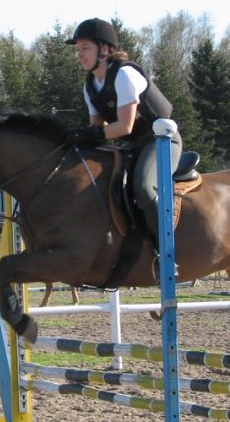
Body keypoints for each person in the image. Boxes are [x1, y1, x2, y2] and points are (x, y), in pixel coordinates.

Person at [64, 17, 180, 252]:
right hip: (133, 146)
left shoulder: (124, 75)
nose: (79, 55)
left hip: (161, 142)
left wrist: (87, 134)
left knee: (143, 186)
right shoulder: (90, 85)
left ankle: (167, 250)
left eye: (85, 48)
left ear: (105, 49)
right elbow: (97, 130)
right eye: (77, 49)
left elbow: (124, 126)